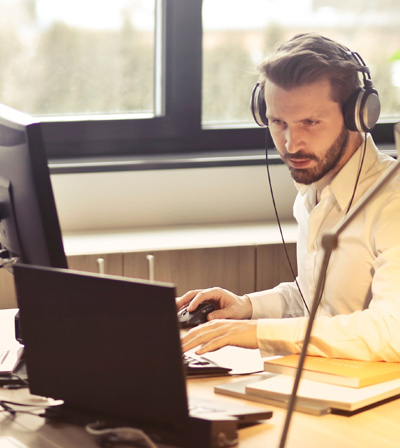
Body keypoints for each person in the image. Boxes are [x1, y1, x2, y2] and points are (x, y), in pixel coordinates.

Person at [177, 33, 400, 362]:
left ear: (359, 116)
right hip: (327, 380)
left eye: (310, 122)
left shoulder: (391, 203)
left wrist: (259, 333)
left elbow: (392, 332)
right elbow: (318, 301)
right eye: (277, 122)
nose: (291, 143)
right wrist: (248, 307)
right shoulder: (313, 190)